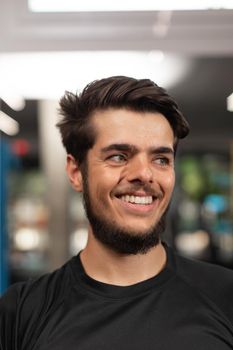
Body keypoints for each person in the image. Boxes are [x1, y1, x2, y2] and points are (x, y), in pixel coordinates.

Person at [0, 76, 233, 350]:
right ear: (76, 172)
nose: (144, 174)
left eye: (161, 159)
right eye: (119, 157)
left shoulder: (225, 297)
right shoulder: (21, 312)